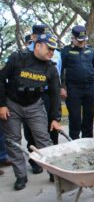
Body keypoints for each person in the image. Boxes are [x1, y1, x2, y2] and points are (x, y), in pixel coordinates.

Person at [0, 34, 62, 190]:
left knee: (44, 141)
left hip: (34, 106)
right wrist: (2, 105)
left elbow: (55, 93)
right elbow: (0, 79)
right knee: (13, 141)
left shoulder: (51, 67)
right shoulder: (17, 58)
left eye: (53, 50)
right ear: (38, 45)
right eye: (49, 49)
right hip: (12, 105)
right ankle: (20, 176)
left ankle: (53, 173)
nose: (51, 53)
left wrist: (55, 117)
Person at [23, 24, 62, 175]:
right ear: (33, 37)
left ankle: (55, 167)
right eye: (35, 35)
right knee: (31, 131)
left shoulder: (56, 54)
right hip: (31, 95)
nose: (37, 36)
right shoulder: (25, 54)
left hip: (49, 93)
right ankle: (35, 161)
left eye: (41, 34)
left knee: (53, 127)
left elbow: (59, 72)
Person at [60, 25, 94, 140]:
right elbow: (60, 70)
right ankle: (74, 142)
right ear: (72, 38)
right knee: (75, 118)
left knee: (88, 118)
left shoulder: (91, 51)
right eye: (79, 41)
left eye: (83, 40)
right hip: (73, 89)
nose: (81, 43)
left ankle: (87, 142)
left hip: (89, 88)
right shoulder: (66, 51)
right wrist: (61, 87)